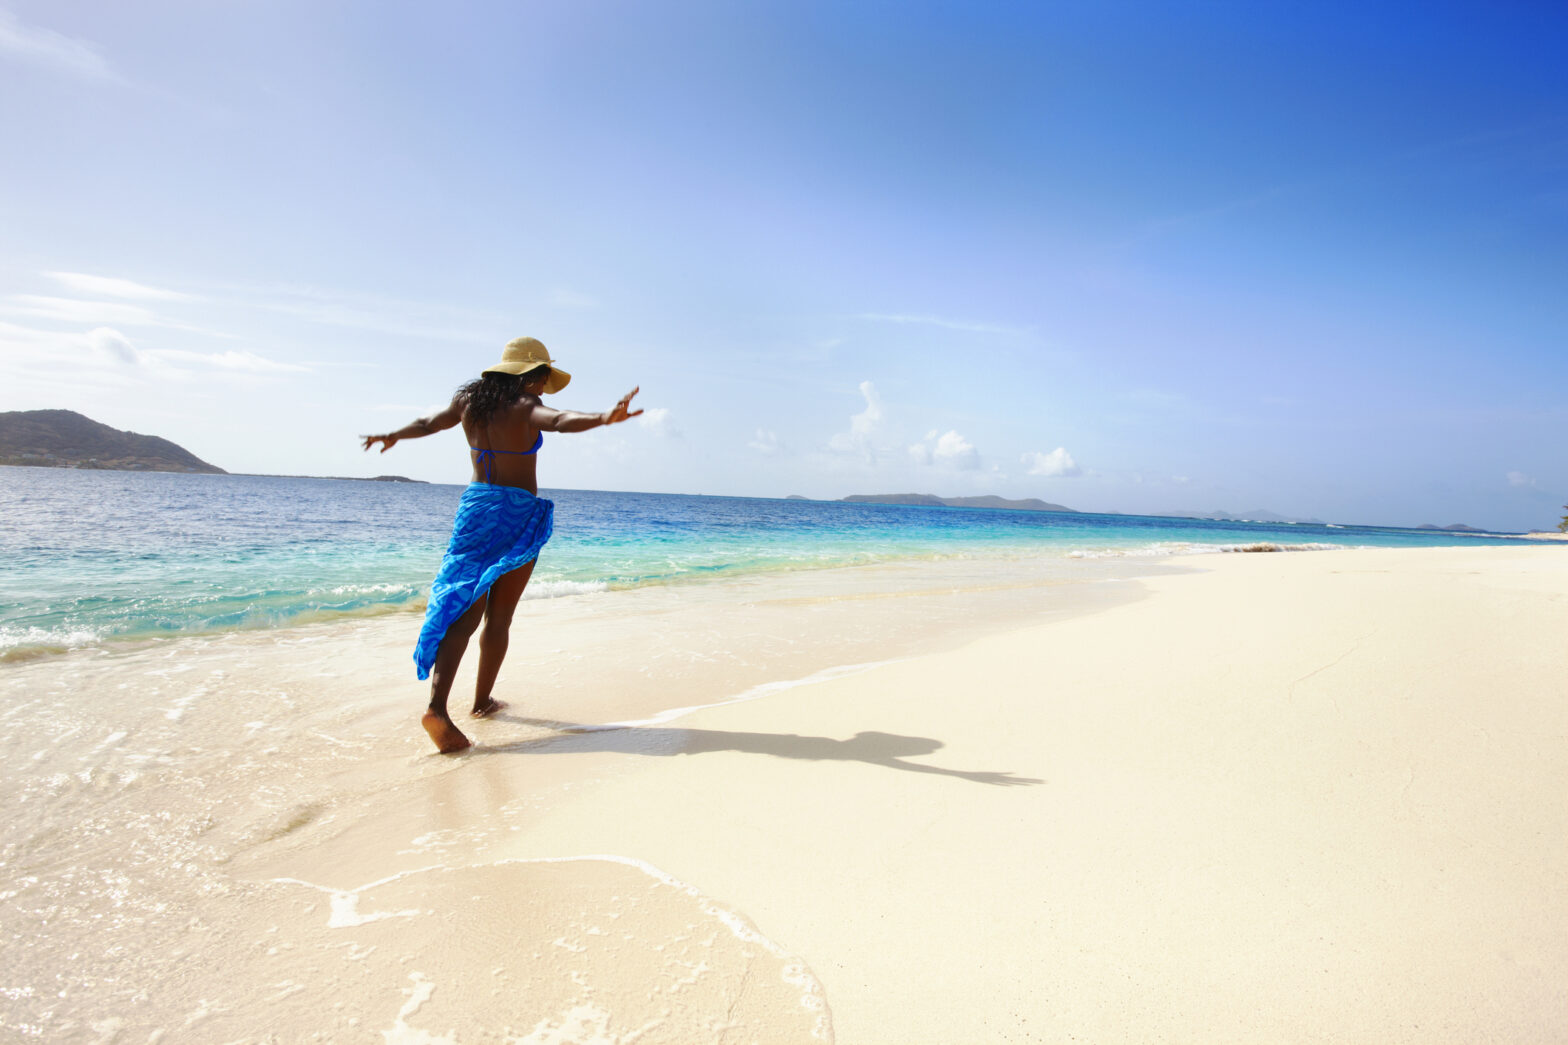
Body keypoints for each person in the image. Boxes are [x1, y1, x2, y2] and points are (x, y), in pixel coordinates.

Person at [362, 336, 641, 752]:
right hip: (516, 515)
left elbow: (426, 424)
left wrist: (392, 435)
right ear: (532, 376)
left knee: (463, 606)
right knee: (500, 616)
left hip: (475, 509)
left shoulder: (468, 404)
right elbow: (561, 419)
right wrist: (603, 417)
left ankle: (437, 707)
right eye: (545, 376)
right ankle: (481, 702)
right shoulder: (526, 407)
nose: (547, 385)